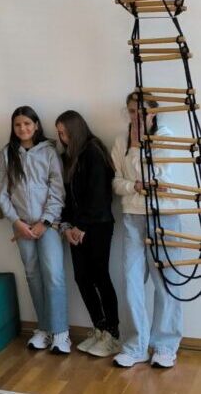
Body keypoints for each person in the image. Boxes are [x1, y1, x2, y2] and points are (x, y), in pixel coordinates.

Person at [111, 94, 183, 369]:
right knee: (131, 282)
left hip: (164, 215)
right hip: (132, 216)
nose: (136, 117)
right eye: (131, 111)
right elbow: (118, 183)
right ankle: (136, 346)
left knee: (166, 283)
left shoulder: (165, 136)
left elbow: (160, 179)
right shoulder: (120, 141)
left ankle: (165, 346)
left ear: (154, 113)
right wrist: (135, 185)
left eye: (142, 112)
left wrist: (138, 164)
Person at [0, 106, 70, 355]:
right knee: (33, 275)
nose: (23, 128)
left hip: (47, 226)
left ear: (36, 125)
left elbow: (57, 190)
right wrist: (17, 222)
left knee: (54, 275)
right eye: (18, 125)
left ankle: (61, 333)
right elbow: (2, 193)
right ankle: (45, 329)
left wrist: (45, 222)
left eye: (27, 123)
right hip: (22, 227)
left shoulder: (49, 153)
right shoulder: (7, 155)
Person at [55, 110, 119, 358]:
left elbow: (98, 195)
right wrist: (68, 226)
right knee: (82, 278)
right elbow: (69, 199)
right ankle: (99, 328)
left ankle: (112, 334)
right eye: (59, 133)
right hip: (76, 228)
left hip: (98, 226)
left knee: (100, 276)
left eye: (64, 132)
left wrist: (80, 226)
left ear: (76, 129)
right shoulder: (70, 157)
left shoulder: (93, 151)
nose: (61, 137)